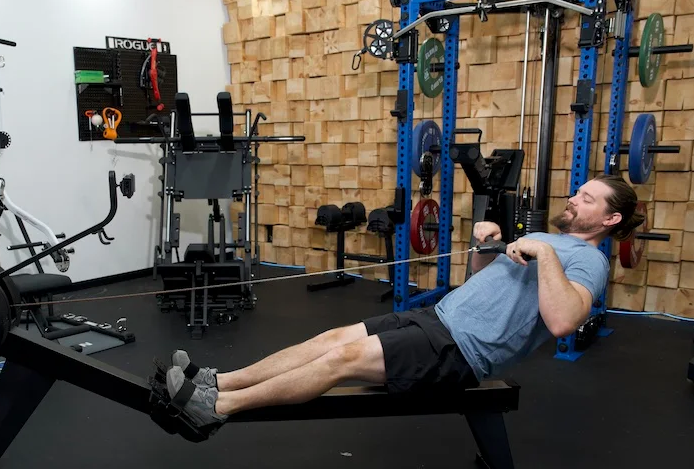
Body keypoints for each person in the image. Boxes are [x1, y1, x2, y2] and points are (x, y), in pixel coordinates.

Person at [164, 174, 645, 433]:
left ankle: (219, 407)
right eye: (578, 193)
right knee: (331, 338)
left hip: (462, 351)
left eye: (587, 198)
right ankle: (217, 379)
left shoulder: (589, 263)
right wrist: (489, 243)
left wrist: (543, 255)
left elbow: (562, 322)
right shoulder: (545, 236)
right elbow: (485, 278)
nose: (574, 200)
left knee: (342, 360)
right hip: (436, 317)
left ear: (611, 217)